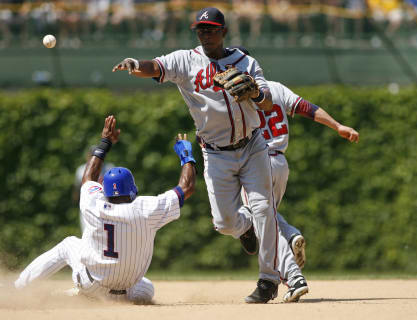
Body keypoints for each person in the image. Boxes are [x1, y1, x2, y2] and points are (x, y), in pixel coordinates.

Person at [112, 7, 281, 303]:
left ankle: (268, 280)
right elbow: (154, 66)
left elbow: (267, 105)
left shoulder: (246, 62)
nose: (205, 34)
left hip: (252, 145)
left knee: (264, 208)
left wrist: (254, 93)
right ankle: (244, 227)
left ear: (224, 32)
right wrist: (134, 64)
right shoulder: (186, 60)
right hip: (216, 154)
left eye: (211, 29)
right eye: (201, 29)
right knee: (224, 222)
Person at [14, 115, 197, 304]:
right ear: (133, 189)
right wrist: (186, 156)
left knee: (69, 244)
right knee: (147, 287)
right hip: (130, 292)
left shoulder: (94, 204)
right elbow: (187, 187)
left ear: (105, 190)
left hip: (92, 284)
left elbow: (89, 177)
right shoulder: (147, 208)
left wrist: (105, 143)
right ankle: (100, 297)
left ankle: (19, 288)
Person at [234, 46, 360, 303]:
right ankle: (291, 234)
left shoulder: (233, 96)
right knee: (267, 217)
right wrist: (337, 125)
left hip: (257, 164)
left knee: (264, 225)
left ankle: (294, 277)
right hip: (280, 163)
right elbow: (307, 108)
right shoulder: (276, 88)